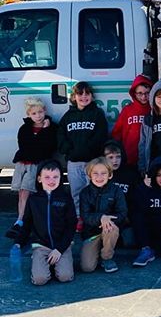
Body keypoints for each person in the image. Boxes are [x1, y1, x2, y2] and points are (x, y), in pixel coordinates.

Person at [13, 160, 76, 286]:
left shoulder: (66, 198)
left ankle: (57, 262)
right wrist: (19, 242)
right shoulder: (33, 199)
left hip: (61, 246)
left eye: (55, 177)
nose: (51, 180)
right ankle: (40, 262)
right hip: (41, 246)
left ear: (60, 178)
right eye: (47, 177)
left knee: (65, 276)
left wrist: (60, 248)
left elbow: (71, 226)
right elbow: (27, 223)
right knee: (39, 279)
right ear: (39, 178)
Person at [7, 97, 58, 240]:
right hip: (22, 163)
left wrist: (45, 131)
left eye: (40, 112)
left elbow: (49, 146)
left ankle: (22, 219)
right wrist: (39, 139)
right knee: (21, 191)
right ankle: (20, 219)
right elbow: (25, 145)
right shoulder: (24, 128)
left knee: (27, 191)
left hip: (36, 164)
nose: (38, 116)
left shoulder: (52, 128)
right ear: (29, 114)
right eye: (34, 113)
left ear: (45, 111)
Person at [57, 81, 108, 215]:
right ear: (74, 97)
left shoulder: (97, 114)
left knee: (94, 190)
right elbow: (60, 135)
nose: (84, 97)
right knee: (77, 192)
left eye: (87, 93)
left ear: (92, 96)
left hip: (92, 162)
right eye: (80, 94)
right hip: (74, 162)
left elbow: (101, 135)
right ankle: (79, 217)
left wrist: (89, 149)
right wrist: (68, 150)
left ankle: (94, 217)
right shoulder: (68, 116)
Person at [79, 157, 127, 273]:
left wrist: (108, 221)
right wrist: (101, 218)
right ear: (90, 175)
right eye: (95, 173)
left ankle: (106, 257)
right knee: (87, 267)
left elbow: (122, 212)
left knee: (110, 228)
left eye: (103, 173)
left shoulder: (116, 191)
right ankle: (97, 250)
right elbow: (85, 215)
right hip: (91, 232)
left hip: (109, 229)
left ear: (110, 175)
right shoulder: (85, 193)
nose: (99, 177)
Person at [103, 139, 140, 247]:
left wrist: (128, 217)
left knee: (130, 241)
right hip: (106, 219)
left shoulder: (130, 174)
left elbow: (135, 200)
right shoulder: (100, 174)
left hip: (125, 218)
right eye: (110, 157)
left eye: (118, 156)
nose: (115, 161)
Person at [111, 74, 152, 169]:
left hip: (148, 158)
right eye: (140, 93)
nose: (143, 96)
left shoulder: (153, 110)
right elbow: (117, 133)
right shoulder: (127, 110)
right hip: (129, 158)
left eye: (147, 93)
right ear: (134, 93)